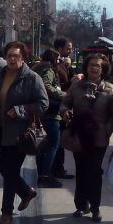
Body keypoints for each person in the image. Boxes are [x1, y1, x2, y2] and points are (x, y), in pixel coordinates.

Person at [0, 41, 48, 224]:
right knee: (3, 168)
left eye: (16, 56)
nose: (12, 59)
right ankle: (26, 192)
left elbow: (43, 103)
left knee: (11, 171)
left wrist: (21, 110)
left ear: (23, 58)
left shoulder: (32, 78)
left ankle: (6, 212)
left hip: (19, 134)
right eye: (9, 56)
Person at [60, 54, 113, 222]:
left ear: (103, 69)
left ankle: (95, 207)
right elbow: (65, 102)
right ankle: (80, 205)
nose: (94, 68)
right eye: (91, 65)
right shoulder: (76, 86)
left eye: (98, 66)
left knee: (94, 172)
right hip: (79, 135)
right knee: (81, 170)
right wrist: (65, 112)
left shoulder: (110, 89)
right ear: (86, 67)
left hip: (99, 137)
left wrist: (108, 129)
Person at [32, 49, 65, 188]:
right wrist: (63, 94)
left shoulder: (36, 68)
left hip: (40, 111)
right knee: (53, 145)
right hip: (51, 111)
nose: (58, 61)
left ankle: (41, 173)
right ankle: (45, 174)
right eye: (57, 59)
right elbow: (46, 86)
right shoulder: (48, 69)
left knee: (42, 145)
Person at [52, 38, 75, 180]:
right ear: (60, 48)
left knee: (59, 141)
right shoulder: (55, 64)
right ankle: (56, 169)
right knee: (57, 141)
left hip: (62, 105)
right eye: (68, 48)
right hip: (57, 106)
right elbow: (57, 85)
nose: (70, 50)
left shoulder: (63, 63)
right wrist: (71, 82)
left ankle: (58, 168)